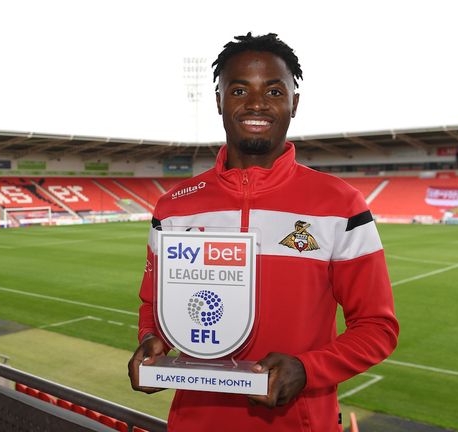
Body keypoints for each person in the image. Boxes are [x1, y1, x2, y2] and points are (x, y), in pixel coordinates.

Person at [127, 33, 399, 431]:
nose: (256, 103)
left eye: (274, 90)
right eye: (239, 90)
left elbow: (377, 328)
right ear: (219, 100)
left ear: (294, 103)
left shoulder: (341, 205)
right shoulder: (173, 207)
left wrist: (307, 369)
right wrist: (153, 344)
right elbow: (153, 309)